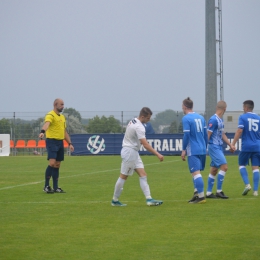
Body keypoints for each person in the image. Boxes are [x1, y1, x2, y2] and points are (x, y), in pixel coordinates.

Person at [111, 107, 164, 206]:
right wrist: (158, 154)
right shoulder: (139, 127)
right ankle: (114, 200)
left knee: (143, 174)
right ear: (143, 117)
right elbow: (145, 144)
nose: (149, 120)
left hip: (133, 152)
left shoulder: (133, 120)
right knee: (123, 176)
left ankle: (149, 199)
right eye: (148, 118)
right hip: (130, 152)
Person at [39, 98, 74, 193]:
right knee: (52, 163)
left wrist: (70, 143)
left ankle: (55, 187)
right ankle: (46, 186)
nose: (63, 106)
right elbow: (47, 124)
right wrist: (42, 132)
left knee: (57, 165)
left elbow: (64, 132)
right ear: (55, 104)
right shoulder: (50, 115)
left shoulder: (62, 117)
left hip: (60, 142)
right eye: (61, 104)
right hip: (52, 141)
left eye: (63, 104)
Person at [206, 101, 236, 199]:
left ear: (216, 107)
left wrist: (230, 144)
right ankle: (219, 191)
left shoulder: (220, 120)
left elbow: (222, 134)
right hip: (214, 146)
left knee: (214, 170)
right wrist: (205, 148)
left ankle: (209, 193)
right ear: (225, 109)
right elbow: (208, 135)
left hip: (218, 147)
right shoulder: (213, 120)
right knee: (224, 167)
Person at [181, 97, 208, 204]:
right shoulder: (201, 117)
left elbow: (186, 135)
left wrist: (183, 149)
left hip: (193, 149)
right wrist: (205, 147)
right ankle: (196, 193)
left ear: (184, 106)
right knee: (195, 172)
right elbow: (206, 135)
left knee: (196, 173)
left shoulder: (186, 118)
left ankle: (201, 197)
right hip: (202, 148)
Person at [231, 100, 260, 196]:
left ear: (247, 108)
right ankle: (255, 191)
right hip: (257, 146)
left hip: (247, 146)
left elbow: (239, 130)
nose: (243, 109)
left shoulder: (243, 117)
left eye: (243, 107)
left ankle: (247, 185)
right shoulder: (258, 118)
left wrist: (233, 143)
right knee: (255, 168)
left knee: (241, 165)